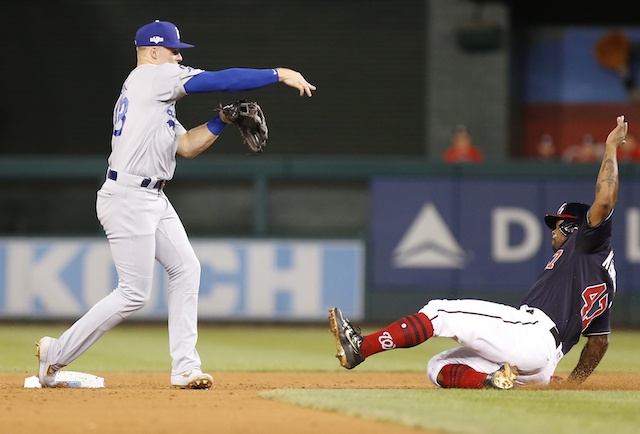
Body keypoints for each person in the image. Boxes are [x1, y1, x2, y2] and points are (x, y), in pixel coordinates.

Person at [36, 20, 316, 389]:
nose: (179, 56)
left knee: (186, 268)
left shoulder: (152, 96)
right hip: (128, 197)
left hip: (151, 196)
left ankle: (185, 368)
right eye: (174, 50)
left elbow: (186, 147)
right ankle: (56, 353)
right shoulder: (152, 78)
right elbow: (221, 80)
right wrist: (278, 73)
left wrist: (222, 120)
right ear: (153, 52)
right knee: (134, 293)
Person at [329, 115, 627, 390]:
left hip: (532, 334)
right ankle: (491, 381)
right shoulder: (604, 279)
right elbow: (599, 343)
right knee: (439, 366)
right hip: (543, 366)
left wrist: (610, 147)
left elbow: (604, 199)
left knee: (438, 311)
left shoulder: (589, 240)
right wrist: (571, 384)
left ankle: (361, 347)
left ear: (577, 228)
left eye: (560, 225)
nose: (554, 230)